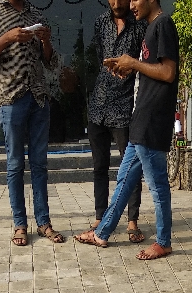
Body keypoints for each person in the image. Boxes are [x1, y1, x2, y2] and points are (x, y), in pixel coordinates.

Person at [75, 0, 178, 260]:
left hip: (153, 119)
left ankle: (163, 242)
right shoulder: (151, 26)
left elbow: (168, 72)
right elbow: (151, 71)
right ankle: (102, 233)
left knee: (157, 185)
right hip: (140, 118)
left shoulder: (163, 24)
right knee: (124, 180)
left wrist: (133, 62)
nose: (131, 5)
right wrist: (129, 68)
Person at [0, 0, 65, 246]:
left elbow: (51, 63)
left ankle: (43, 222)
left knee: (40, 164)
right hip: (11, 99)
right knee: (15, 164)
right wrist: (7, 38)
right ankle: (20, 224)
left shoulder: (35, 13)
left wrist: (46, 41)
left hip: (38, 98)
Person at [87, 0, 147, 243]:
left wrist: (131, 69)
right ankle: (100, 216)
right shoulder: (100, 22)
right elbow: (99, 57)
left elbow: (144, 63)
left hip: (125, 106)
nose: (116, 3)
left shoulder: (139, 25)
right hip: (98, 106)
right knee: (99, 166)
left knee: (130, 166)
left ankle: (132, 221)